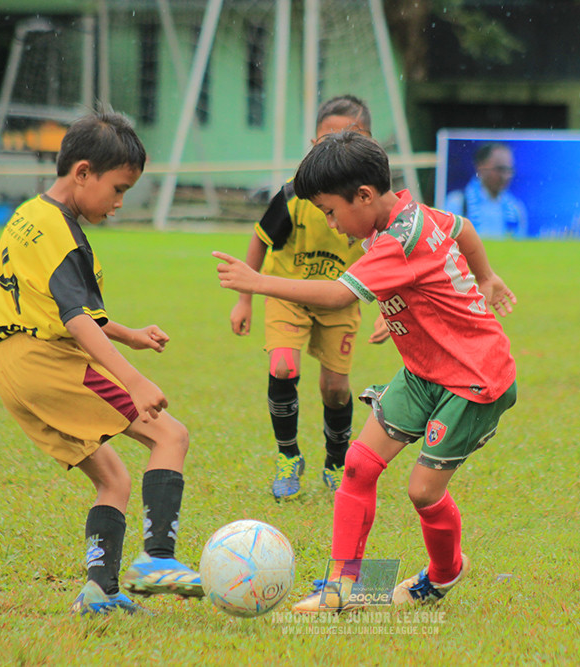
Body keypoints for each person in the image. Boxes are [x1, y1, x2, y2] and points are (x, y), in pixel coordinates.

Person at [214, 131, 518, 613]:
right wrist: (483, 276)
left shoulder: (399, 239)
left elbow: (339, 294)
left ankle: (444, 574)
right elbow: (462, 228)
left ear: (364, 196)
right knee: (358, 465)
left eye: (332, 212)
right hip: (424, 372)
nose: (332, 225)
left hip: (474, 377)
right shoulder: (407, 213)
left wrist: (258, 282)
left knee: (422, 491)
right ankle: (341, 586)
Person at [0, 109, 203, 616]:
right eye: (118, 188)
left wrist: (131, 335)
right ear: (82, 172)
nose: (120, 203)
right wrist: (135, 378)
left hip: (12, 367)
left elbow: (68, 310)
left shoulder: (31, 217)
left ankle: (98, 592)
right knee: (170, 435)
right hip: (48, 361)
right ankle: (157, 560)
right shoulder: (62, 235)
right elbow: (77, 321)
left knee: (113, 479)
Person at [228, 95, 388, 501]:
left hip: (340, 301)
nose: (334, 147)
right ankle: (288, 456)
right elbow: (260, 240)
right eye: (325, 140)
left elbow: (390, 259)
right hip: (287, 295)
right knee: (283, 367)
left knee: (335, 388)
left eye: (347, 137)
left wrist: (388, 308)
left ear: (366, 141)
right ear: (313, 143)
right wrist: (245, 299)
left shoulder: (369, 202)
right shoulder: (293, 196)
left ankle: (336, 461)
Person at [445, 142, 528, 238]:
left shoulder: (516, 209)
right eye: (499, 169)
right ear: (480, 167)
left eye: (509, 170)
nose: (505, 176)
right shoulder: (458, 203)